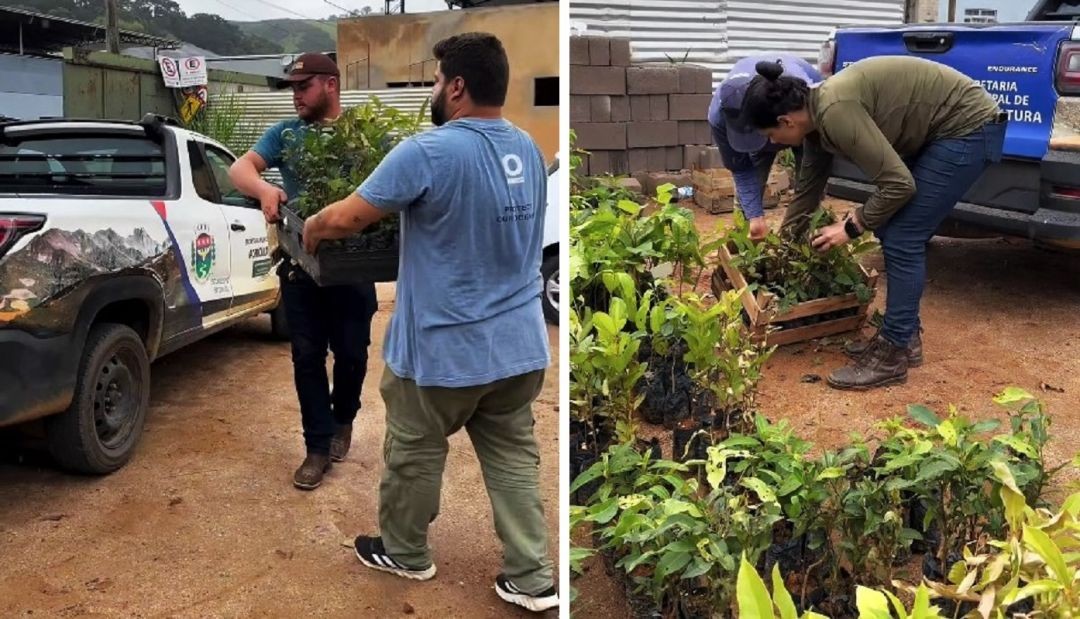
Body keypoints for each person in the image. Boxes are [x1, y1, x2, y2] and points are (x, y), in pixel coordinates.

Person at [298, 33, 558, 612]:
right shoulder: (530, 150)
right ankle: (532, 576)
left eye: (437, 80)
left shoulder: (430, 150)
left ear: (458, 86)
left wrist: (310, 226)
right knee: (514, 457)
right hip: (518, 348)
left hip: (443, 353)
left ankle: (405, 551)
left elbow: (349, 218)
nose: (434, 90)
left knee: (414, 454)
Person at [738, 55, 1006, 390]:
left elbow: (898, 184)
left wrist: (850, 227)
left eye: (771, 134)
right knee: (893, 228)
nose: (773, 143)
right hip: (940, 129)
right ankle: (906, 339)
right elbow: (808, 192)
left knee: (902, 235)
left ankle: (892, 355)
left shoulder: (835, 112)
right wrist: (783, 252)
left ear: (786, 120)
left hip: (967, 127)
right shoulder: (816, 121)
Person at [228, 53, 378, 490]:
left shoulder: (361, 135)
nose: (295, 95)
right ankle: (316, 446)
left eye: (303, 86)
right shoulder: (286, 133)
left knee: (352, 353)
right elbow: (240, 167)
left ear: (330, 84)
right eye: (292, 87)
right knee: (306, 356)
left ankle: (343, 418)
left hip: (352, 264)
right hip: (299, 266)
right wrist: (264, 190)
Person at [707, 54, 821, 241]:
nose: (773, 141)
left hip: (805, 126)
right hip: (772, 121)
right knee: (746, 210)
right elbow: (741, 169)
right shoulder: (717, 118)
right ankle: (745, 250)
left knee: (808, 192)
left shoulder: (800, 93)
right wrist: (755, 217)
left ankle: (799, 246)